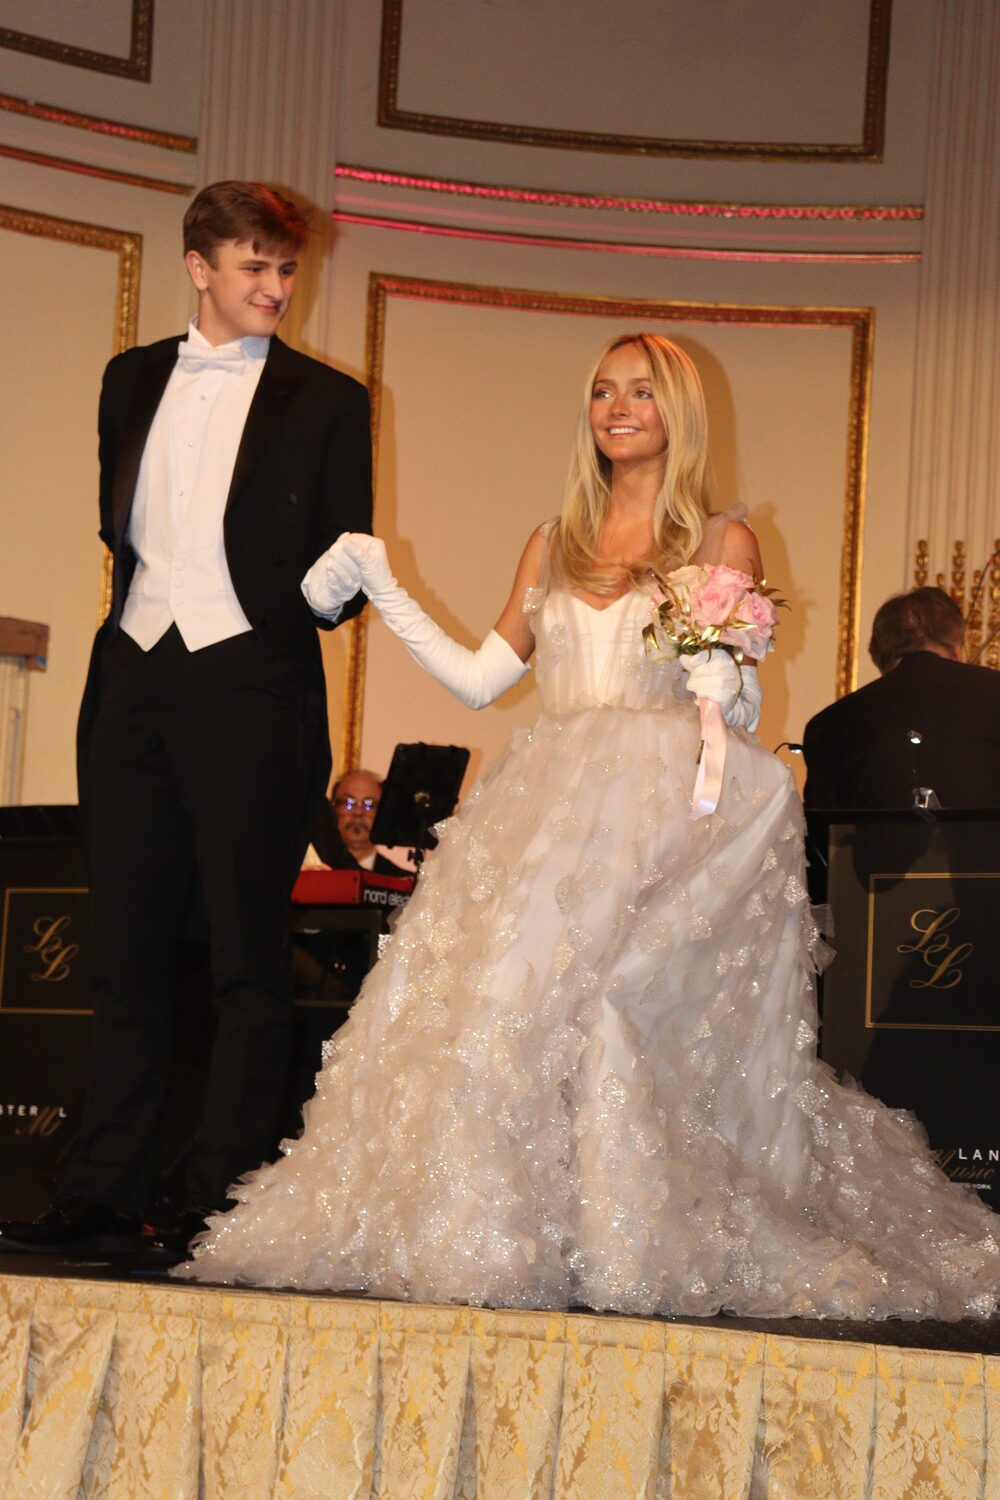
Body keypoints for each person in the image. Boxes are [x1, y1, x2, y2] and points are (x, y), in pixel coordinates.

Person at [177, 333, 1000, 1319]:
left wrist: (722, 680)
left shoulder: (719, 543)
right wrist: (384, 588)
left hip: (661, 807)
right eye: (604, 391)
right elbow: (486, 679)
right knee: (498, 1010)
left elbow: (731, 719)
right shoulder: (552, 538)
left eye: (641, 391)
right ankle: (496, 1233)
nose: (617, 406)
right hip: (549, 806)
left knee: (613, 1008)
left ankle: (628, 1236)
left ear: (676, 412)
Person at [0, 182, 372, 1257]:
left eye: (286, 269)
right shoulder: (129, 380)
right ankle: (102, 1187)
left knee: (245, 955)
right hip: (131, 681)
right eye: (253, 266)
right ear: (198, 266)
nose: (275, 288)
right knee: (123, 948)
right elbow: (122, 533)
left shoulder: (329, 401)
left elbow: (340, 576)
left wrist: (324, 589)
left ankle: (215, 1198)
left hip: (252, 684)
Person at [803, 586, 1000, 809]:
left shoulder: (828, 726)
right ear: (957, 648)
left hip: (876, 845)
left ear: (880, 659)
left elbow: (822, 836)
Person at [311, 769, 413, 874]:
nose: (358, 812)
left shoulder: (400, 881)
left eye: (369, 804)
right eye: (348, 802)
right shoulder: (311, 869)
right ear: (332, 809)